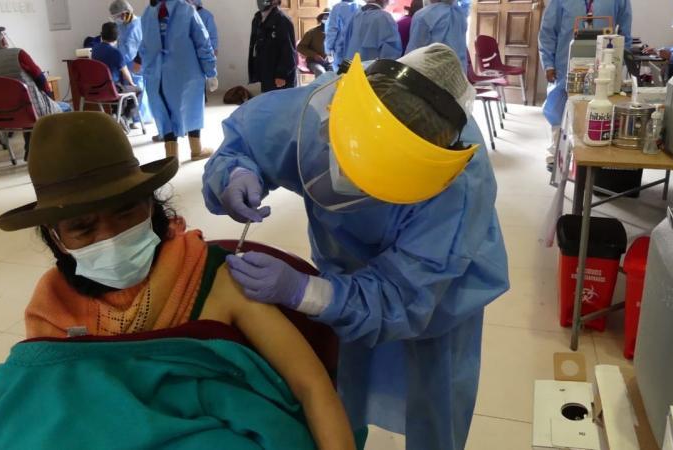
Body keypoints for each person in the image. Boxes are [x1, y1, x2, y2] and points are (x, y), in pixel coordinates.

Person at [0, 111, 358, 450]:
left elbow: (311, 386)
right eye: (82, 228)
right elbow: (47, 414)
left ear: (152, 204)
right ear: (55, 237)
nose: (110, 236)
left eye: (125, 212)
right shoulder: (52, 307)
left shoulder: (214, 277)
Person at [203, 44, 509, 450]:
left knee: (438, 390)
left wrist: (304, 291)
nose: (348, 182)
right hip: (344, 262)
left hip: (439, 284)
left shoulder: (455, 188)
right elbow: (249, 139)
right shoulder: (317, 109)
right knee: (346, 374)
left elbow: (404, 295)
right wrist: (237, 173)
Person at [538, 0, 632, 153]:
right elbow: (547, 32)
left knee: (599, 110)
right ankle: (557, 150)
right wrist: (548, 64)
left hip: (604, 65)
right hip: (566, 65)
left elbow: (624, 34)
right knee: (559, 108)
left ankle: (592, 155)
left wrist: (618, 65)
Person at [140, 0, 218, 162]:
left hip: (156, 75)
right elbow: (203, 43)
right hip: (186, 73)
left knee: (165, 113)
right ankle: (196, 150)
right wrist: (210, 71)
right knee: (192, 108)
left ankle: (171, 157)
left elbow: (144, 47)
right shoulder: (187, 10)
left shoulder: (148, 13)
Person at [0, 25, 71, 117]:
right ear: (2, 40)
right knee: (66, 107)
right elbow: (39, 77)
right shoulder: (18, 54)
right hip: (33, 111)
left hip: (4, 114)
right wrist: (49, 96)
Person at [91, 22, 143, 128]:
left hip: (98, 89)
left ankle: (117, 114)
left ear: (102, 34)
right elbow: (125, 72)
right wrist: (132, 83)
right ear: (117, 37)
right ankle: (126, 117)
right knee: (138, 90)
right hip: (113, 89)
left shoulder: (95, 50)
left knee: (121, 90)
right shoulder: (115, 52)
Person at [109, 0, 153, 127]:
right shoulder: (122, 26)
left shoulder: (139, 25)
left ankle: (140, 119)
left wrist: (137, 61)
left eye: (118, 16)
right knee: (131, 91)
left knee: (139, 89)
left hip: (136, 64)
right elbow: (120, 43)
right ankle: (133, 117)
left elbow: (143, 46)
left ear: (126, 13)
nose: (117, 20)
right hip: (125, 64)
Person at [406, 0, 471, 70]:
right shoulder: (460, 15)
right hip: (458, 72)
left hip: (432, 72)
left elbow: (413, 54)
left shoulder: (423, 16)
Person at [249, 0, 298, 93]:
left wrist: (282, 74)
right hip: (266, 70)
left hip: (280, 76)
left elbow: (288, 50)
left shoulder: (282, 20)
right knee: (268, 97)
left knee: (282, 100)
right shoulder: (257, 19)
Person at [326, 0, 362, 71]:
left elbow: (332, 30)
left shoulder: (337, 8)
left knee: (341, 74)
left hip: (341, 49)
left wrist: (329, 49)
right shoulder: (360, 8)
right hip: (358, 49)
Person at [298, 9, 333, 76]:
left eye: (329, 17)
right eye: (325, 17)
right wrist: (314, 55)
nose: (327, 19)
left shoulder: (334, 33)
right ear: (321, 19)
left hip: (329, 62)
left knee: (336, 73)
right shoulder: (312, 32)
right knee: (320, 72)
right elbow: (300, 47)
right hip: (314, 62)